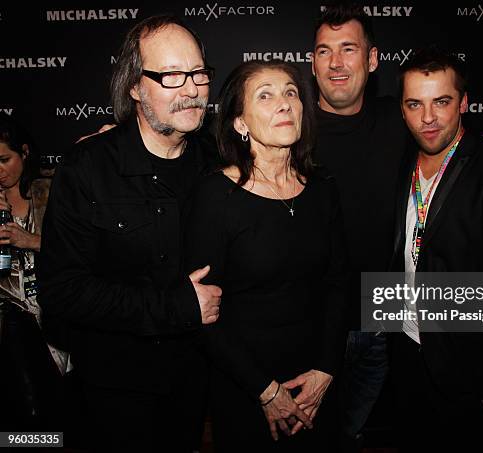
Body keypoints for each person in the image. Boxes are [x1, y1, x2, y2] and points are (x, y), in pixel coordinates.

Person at [310, 4, 483, 451]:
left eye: (348, 49)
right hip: (321, 328)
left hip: (392, 329)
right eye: (325, 51)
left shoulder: (402, 130)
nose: (427, 116)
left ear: (372, 59)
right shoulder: (290, 125)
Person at [37, 15, 221, 452]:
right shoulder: (88, 168)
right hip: (114, 392)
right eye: (172, 75)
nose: (192, 88)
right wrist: (174, 306)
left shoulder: (217, 164)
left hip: (195, 381)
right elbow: (61, 291)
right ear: (135, 87)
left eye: (197, 73)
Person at [184, 60, 349, 452]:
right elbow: (202, 315)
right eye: (266, 95)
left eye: (291, 93)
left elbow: (340, 283)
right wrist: (267, 392)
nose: (285, 104)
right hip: (246, 387)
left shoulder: (323, 187)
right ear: (240, 122)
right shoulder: (214, 198)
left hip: (317, 384)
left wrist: (326, 369)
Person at [388, 47, 483, 452]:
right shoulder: (402, 159)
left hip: (466, 369)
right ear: (402, 109)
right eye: (415, 104)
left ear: (464, 103)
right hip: (407, 348)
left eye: (442, 101)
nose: (429, 117)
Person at [0, 112, 69, 431]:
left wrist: (31, 240)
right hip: (10, 318)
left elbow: (84, 251)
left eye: (4, 160)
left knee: (61, 411)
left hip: (55, 311)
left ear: (24, 153)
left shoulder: (52, 189)